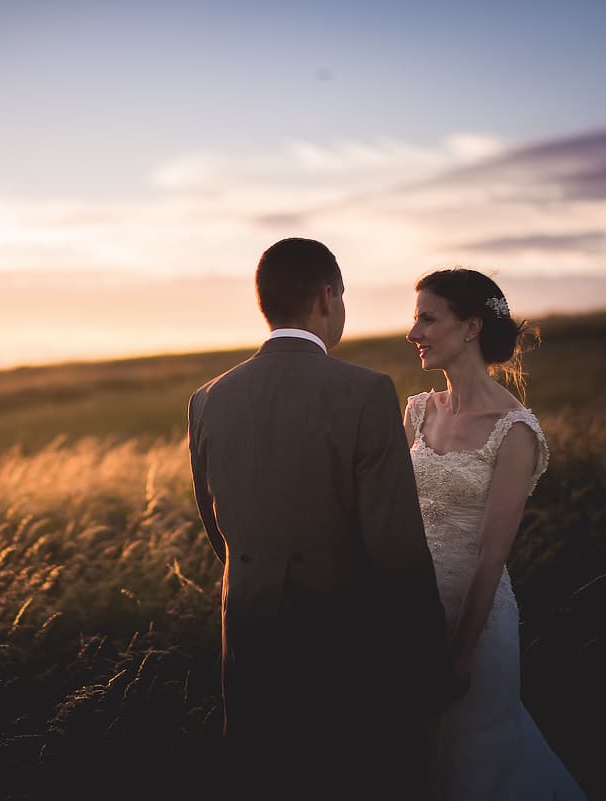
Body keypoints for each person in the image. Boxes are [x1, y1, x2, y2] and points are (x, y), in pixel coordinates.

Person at [187, 237, 455, 798]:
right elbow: (395, 544)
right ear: (328, 298)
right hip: (345, 647)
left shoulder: (208, 398)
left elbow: (218, 528)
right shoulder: (365, 392)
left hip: (248, 640)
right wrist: (432, 659)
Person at [404, 267, 589, 800]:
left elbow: (490, 557)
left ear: (470, 328)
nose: (413, 333)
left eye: (427, 318)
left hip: (475, 625)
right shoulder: (417, 412)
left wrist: (460, 654)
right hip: (414, 616)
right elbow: (396, 520)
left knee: (476, 765)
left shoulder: (514, 431)